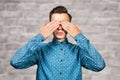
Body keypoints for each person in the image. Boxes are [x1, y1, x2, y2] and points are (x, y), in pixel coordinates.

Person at [10, 6, 106, 80]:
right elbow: (16, 62)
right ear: (49, 26)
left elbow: (99, 65)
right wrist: (40, 36)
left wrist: (78, 36)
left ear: (70, 26)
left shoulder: (79, 51)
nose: (60, 27)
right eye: (55, 23)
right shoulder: (40, 50)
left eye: (64, 23)